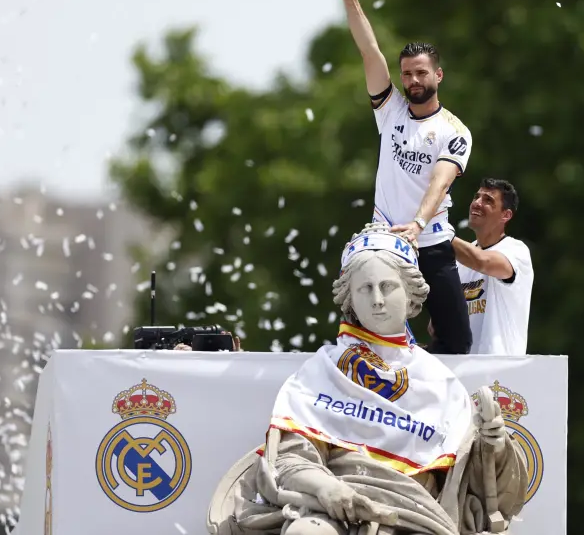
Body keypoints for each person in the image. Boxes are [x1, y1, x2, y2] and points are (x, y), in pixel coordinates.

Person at [206, 226, 528, 535]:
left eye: (388, 286)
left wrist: (494, 447)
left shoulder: (441, 382)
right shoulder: (324, 370)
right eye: (365, 288)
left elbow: (476, 487)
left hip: (415, 516)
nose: (377, 299)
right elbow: (290, 459)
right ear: (350, 299)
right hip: (332, 507)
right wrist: (327, 488)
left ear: (412, 293)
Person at [336, 0, 473, 355]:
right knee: (363, 333)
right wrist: (350, 0)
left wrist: (417, 224)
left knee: (456, 341)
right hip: (382, 241)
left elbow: (440, 183)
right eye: (407, 74)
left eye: (421, 73)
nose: (413, 80)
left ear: (438, 75)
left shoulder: (453, 130)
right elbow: (369, 52)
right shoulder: (391, 110)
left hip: (428, 241)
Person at [451, 178, 533, 355]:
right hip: (462, 367)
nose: (477, 203)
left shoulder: (516, 250)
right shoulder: (461, 259)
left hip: (500, 371)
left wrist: (437, 232)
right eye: (476, 197)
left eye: (488, 200)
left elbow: (483, 262)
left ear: (506, 215)